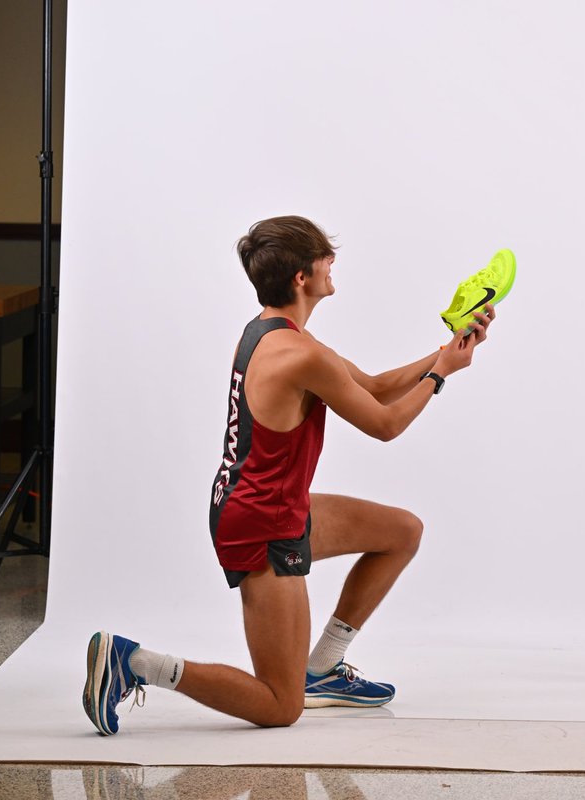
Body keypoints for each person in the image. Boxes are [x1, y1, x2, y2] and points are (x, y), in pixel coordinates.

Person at [83, 215, 494, 735]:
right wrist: (442, 374)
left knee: (401, 531)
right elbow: (386, 425)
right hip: (261, 523)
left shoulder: (274, 332)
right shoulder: (301, 355)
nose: (332, 262)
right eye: (324, 257)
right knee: (281, 705)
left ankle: (322, 669)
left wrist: (448, 348)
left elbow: (372, 385)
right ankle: (135, 662)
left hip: (270, 501)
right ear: (302, 277)